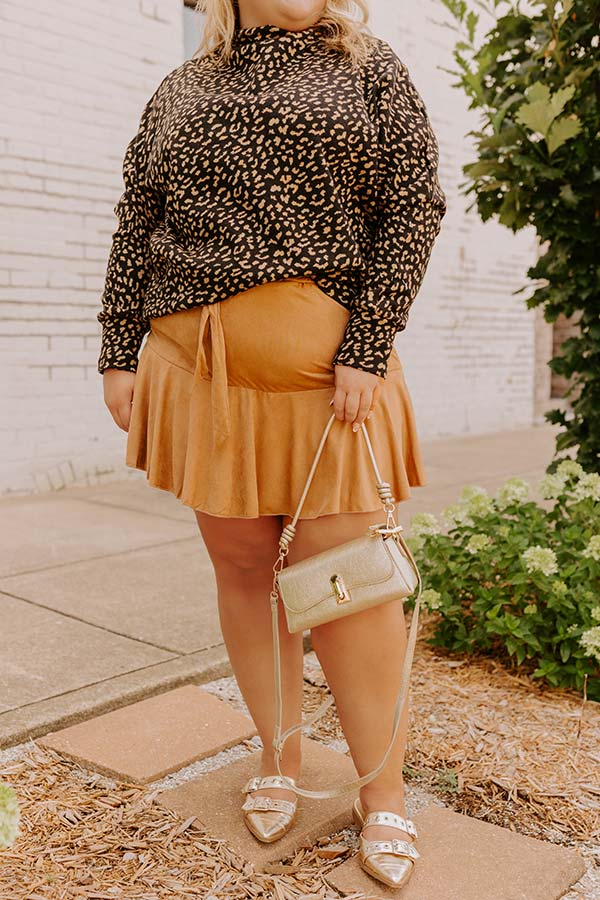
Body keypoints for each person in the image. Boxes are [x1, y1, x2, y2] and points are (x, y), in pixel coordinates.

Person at [97, 0, 446, 888]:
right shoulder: (182, 86)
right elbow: (138, 218)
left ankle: (384, 793)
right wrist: (118, 349)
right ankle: (279, 756)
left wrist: (369, 342)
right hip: (194, 372)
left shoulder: (369, 67)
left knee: (349, 588)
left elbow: (413, 206)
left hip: (326, 380)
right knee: (246, 568)